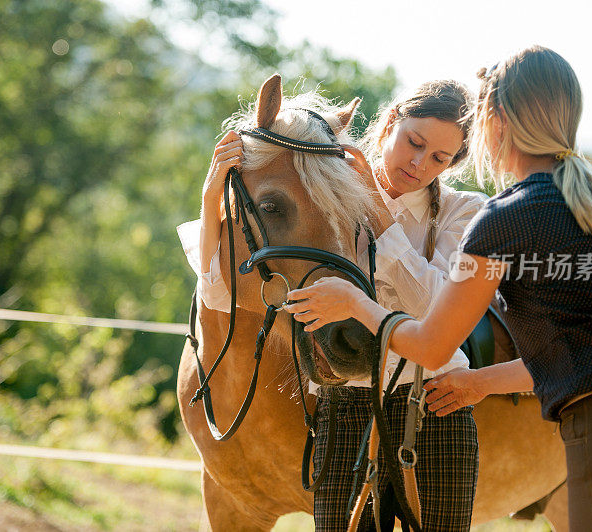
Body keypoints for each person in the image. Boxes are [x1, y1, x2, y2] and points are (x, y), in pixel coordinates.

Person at [283, 45, 592, 531]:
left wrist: (356, 303)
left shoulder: (504, 218)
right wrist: (480, 383)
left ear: (495, 119)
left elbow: (432, 343)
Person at [179, 80, 487, 531]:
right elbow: (218, 296)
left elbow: (437, 311)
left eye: (440, 158)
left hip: (434, 401)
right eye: (414, 142)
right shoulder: (324, 200)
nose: (419, 163)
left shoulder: (464, 212)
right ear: (387, 127)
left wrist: (380, 218)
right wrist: (212, 199)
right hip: (345, 404)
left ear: (454, 163)